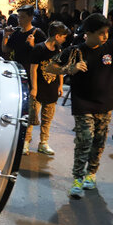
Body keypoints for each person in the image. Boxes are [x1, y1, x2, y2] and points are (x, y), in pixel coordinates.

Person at [46, 14, 113, 198]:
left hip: (105, 104)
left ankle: (90, 175)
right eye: (101, 33)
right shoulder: (75, 51)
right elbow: (49, 66)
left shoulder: (112, 47)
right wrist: (70, 69)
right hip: (83, 104)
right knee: (85, 140)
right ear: (89, 33)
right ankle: (77, 178)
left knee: (98, 143)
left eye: (106, 32)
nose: (105, 36)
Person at [24, 21, 68, 155]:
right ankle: (25, 143)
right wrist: (34, 88)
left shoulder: (59, 50)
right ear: (57, 36)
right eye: (63, 36)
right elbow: (33, 69)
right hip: (39, 90)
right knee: (32, 119)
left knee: (47, 119)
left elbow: (59, 69)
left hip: (52, 89)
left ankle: (43, 143)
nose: (65, 39)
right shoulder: (39, 48)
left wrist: (60, 85)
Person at [2, 5, 46, 75]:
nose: (19, 20)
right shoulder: (16, 33)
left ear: (30, 18)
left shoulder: (37, 33)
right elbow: (5, 49)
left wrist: (33, 46)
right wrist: (6, 36)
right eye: (18, 17)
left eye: (23, 17)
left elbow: (45, 54)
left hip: (33, 73)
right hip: (19, 71)